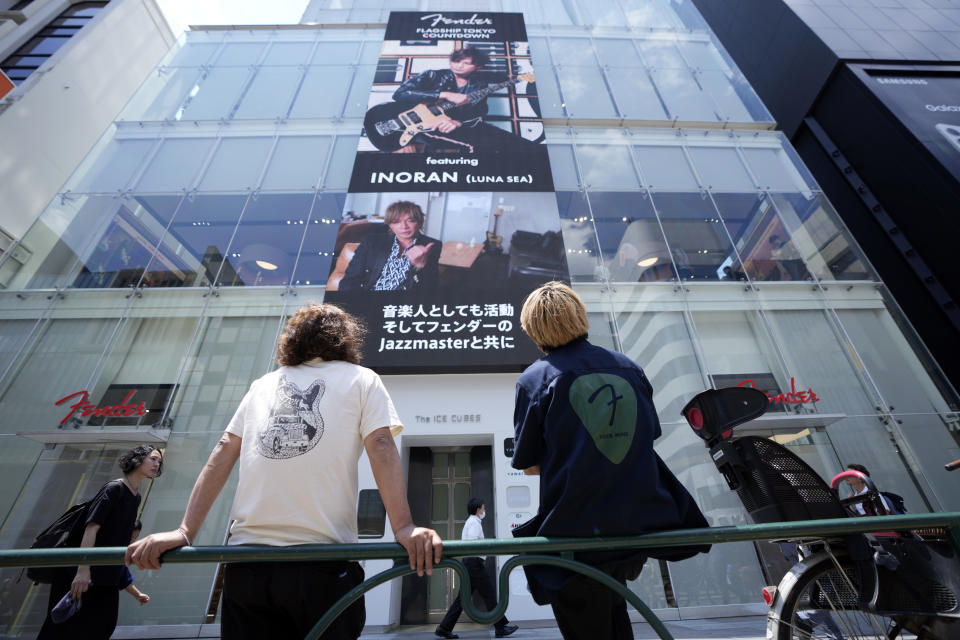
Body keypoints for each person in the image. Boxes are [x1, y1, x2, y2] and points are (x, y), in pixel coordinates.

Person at [126, 303, 442, 640]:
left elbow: (222, 452)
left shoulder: (262, 385)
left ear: (292, 340)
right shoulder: (362, 379)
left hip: (248, 565)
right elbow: (380, 444)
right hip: (323, 561)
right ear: (344, 339)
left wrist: (186, 531)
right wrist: (404, 527)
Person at [511, 281, 710, 640]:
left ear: (535, 331)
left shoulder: (535, 380)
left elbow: (530, 465)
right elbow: (643, 441)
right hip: (635, 528)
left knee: (586, 625)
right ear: (580, 317)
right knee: (615, 617)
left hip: (576, 535)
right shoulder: (629, 369)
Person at [38, 445, 163, 639]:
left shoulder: (135, 497)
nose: (157, 464)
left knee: (102, 626)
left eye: (159, 461)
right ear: (137, 459)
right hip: (83, 575)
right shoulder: (114, 488)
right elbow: (92, 528)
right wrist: (82, 570)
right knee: (61, 629)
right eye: (153, 459)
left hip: (107, 576)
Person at [391, 47, 541, 154]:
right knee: (479, 144)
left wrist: (458, 122)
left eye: (466, 63)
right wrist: (443, 94)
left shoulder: (479, 86)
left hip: (454, 127)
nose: (459, 65)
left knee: (507, 139)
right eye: (456, 61)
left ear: (478, 66)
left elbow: (480, 113)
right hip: (418, 126)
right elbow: (400, 94)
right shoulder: (432, 75)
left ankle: (539, 157)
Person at [435, 498, 518, 639]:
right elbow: (474, 544)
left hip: (470, 564)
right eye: (483, 508)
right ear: (478, 509)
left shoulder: (472, 522)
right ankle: (500, 627)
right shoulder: (474, 523)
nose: (484, 511)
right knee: (489, 594)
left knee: (463, 599)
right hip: (474, 564)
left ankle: (444, 628)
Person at [338, 200, 441, 292]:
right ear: (389, 224)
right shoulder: (372, 241)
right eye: (396, 222)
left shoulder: (431, 245)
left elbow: (431, 290)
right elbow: (349, 280)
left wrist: (420, 267)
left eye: (410, 221)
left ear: (419, 222)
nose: (404, 227)